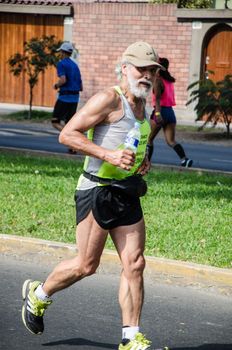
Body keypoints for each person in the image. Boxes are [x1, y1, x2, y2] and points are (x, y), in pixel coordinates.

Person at [21, 42, 168, 350]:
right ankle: (39, 294)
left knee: (135, 263)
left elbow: (136, 139)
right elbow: (68, 134)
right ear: (125, 68)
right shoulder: (109, 99)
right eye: (141, 69)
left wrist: (144, 158)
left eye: (152, 71)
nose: (147, 76)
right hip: (96, 190)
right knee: (87, 265)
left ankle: (130, 338)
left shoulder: (145, 105)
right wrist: (109, 156)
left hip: (126, 192)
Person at [147, 57, 193, 167]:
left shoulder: (158, 81)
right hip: (170, 113)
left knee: (149, 140)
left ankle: (146, 163)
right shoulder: (169, 81)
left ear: (159, 67)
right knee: (171, 141)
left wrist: (157, 114)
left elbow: (158, 99)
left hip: (160, 111)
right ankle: (184, 160)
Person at [51, 41, 83, 153]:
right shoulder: (75, 65)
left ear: (63, 52)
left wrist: (56, 85)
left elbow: (63, 80)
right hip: (75, 98)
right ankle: (72, 147)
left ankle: (70, 140)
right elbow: (81, 86)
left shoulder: (62, 64)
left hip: (65, 97)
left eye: (60, 52)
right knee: (69, 124)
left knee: (55, 121)